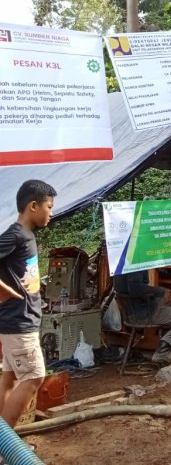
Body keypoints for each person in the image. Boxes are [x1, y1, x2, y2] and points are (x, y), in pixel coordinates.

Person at [0, 180, 56, 427]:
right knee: (34, 377)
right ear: (33, 206)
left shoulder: (26, 236)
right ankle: (3, 449)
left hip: (18, 321)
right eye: (49, 206)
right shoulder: (16, 235)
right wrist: (5, 290)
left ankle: (5, 443)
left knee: (10, 380)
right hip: (19, 322)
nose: (51, 213)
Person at [113, 270, 171, 364]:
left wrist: (161, 293)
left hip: (132, 314)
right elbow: (135, 289)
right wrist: (161, 291)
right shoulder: (135, 265)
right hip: (145, 314)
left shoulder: (120, 264)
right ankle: (163, 351)